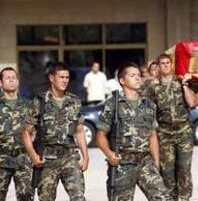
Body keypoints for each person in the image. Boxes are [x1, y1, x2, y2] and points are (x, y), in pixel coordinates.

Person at [96, 62, 172, 201]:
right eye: (133, 75)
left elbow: (153, 136)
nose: (138, 78)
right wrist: (109, 154)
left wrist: (155, 163)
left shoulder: (148, 104)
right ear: (122, 80)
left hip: (145, 161)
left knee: (163, 197)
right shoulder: (113, 104)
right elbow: (101, 135)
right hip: (122, 163)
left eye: (139, 75)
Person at [147, 54, 198, 201]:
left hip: (183, 132)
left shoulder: (181, 81)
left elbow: (192, 103)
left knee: (184, 169)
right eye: (162, 63)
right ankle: (170, 198)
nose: (165, 65)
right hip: (164, 134)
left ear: (171, 65)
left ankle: (184, 198)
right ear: (158, 66)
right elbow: (150, 112)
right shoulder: (153, 87)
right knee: (167, 171)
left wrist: (184, 85)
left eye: (167, 63)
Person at [22, 62, 89, 201]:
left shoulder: (75, 101)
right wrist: (33, 155)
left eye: (67, 77)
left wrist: (85, 156)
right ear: (52, 78)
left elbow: (80, 130)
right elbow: (26, 132)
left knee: (78, 197)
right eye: (61, 77)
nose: (65, 80)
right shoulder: (39, 101)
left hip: (70, 156)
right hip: (46, 159)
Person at [0, 67, 32, 201]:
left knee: (25, 196)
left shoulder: (28, 105)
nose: (11, 80)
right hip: (1, 160)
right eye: (8, 78)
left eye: (14, 78)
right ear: (1, 83)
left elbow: (34, 131)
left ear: (18, 81)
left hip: (23, 160)